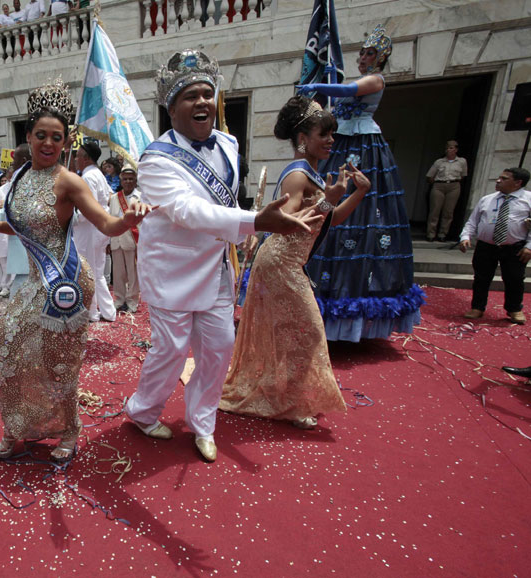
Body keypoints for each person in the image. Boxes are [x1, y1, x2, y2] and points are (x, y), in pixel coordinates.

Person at [124, 50, 323, 462]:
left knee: (218, 347)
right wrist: (254, 222)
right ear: (171, 107)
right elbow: (187, 211)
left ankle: (203, 424)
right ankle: (142, 411)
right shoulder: (155, 159)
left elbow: (227, 200)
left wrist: (246, 228)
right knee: (172, 349)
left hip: (216, 266)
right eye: (189, 96)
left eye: (206, 94)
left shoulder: (229, 144)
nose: (201, 102)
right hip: (172, 269)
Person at [0, 79, 153, 462]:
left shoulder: (69, 181)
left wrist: (126, 221)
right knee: (4, 352)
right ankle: (18, 427)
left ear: (66, 141)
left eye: (57, 137)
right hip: (37, 281)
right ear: (28, 136)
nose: (48, 144)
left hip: (67, 283)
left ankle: (68, 432)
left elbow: (106, 223)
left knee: (60, 363)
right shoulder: (20, 178)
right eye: (41, 135)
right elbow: (26, 223)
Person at [220, 96, 370, 429]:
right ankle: (287, 401)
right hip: (279, 263)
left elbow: (330, 221)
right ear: (303, 139)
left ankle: (286, 396)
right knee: (311, 332)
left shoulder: (315, 175)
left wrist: (358, 193)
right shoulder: (298, 175)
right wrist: (328, 202)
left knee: (292, 335)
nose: (331, 140)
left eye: (332, 134)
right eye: (323, 134)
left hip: (290, 264)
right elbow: (287, 223)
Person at [297, 25, 424, 342]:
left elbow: (349, 91)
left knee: (358, 219)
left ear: (381, 57)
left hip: (362, 147)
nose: (364, 57)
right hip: (341, 142)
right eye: (363, 52)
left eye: (370, 52)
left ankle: (348, 317)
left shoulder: (376, 80)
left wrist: (314, 85)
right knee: (323, 207)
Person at [459, 167, 531, 325]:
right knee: (481, 277)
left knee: (514, 278)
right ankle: (477, 307)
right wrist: (465, 237)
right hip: (486, 246)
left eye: (504, 178)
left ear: (518, 183)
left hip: (514, 248)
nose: (498, 181)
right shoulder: (487, 199)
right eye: (500, 177)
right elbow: (472, 221)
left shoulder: (528, 200)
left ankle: (514, 309)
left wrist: (529, 246)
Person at [73, 141, 116, 323]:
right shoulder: (97, 174)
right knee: (96, 273)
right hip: (98, 228)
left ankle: (92, 312)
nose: (75, 159)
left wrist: (69, 219)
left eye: (78, 156)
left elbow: (87, 209)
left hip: (90, 229)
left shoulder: (89, 177)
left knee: (88, 272)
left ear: (86, 158)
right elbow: (109, 196)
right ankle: (108, 311)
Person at [0, 144, 32, 299]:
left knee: (20, 304)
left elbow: (14, 213)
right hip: (25, 258)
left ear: (25, 160)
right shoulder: (21, 180)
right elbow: (10, 209)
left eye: (15, 160)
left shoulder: (28, 181)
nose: (12, 164)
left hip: (29, 254)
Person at [108, 167, 141, 313]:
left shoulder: (141, 197)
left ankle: (132, 301)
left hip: (133, 240)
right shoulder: (114, 198)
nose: (128, 181)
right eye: (125, 179)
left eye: (131, 179)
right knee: (118, 272)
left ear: (135, 181)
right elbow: (110, 219)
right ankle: (119, 299)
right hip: (116, 239)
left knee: (133, 274)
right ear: (120, 180)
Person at [425, 140, 469, 242]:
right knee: (435, 210)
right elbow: (430, 176)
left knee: (448, 211)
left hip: (453, 185)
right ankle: (431, 233)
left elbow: (463, 175)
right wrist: (437, 183)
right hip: (439, 185)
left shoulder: (462, 161)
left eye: (451, 148)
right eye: (447, 148)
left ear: (456, 149)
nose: (448, 150)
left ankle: (443, 234)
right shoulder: (439, 162)